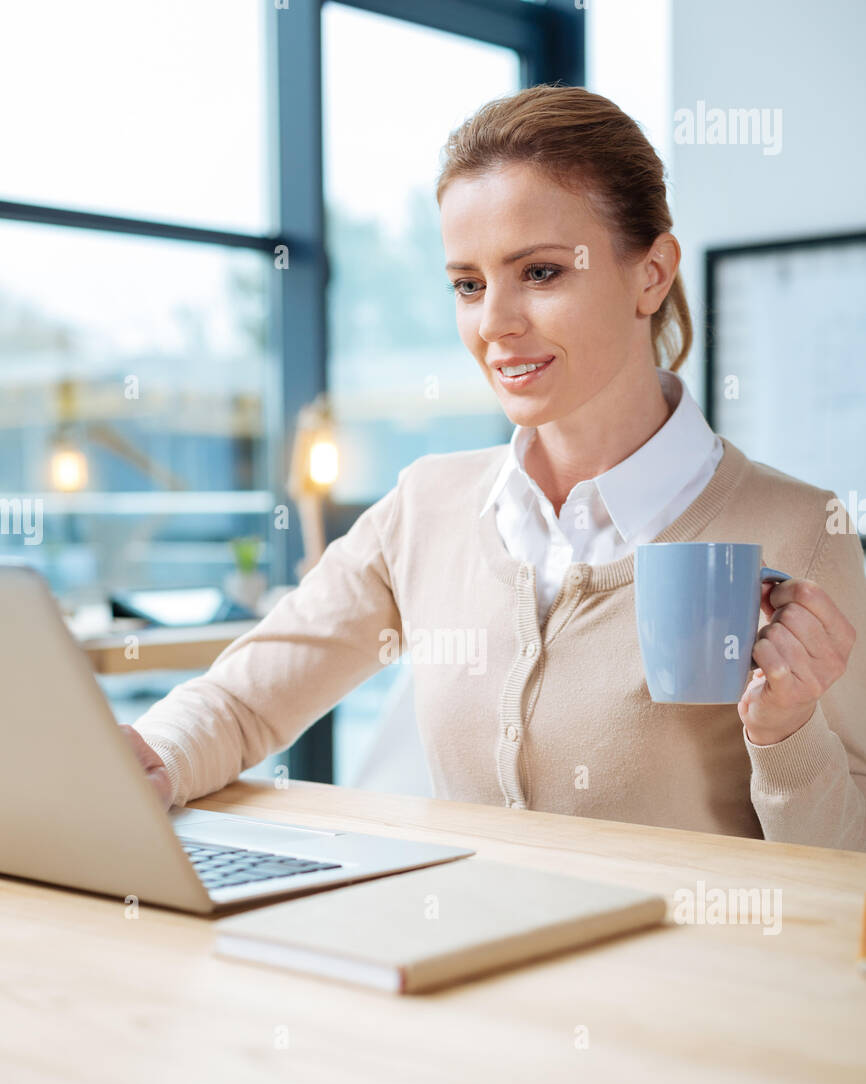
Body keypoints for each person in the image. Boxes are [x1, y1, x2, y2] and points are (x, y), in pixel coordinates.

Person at [125, 85, 865, 851]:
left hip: (698, 972)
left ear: (651, 274)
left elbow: (850, 870)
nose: (495, 325)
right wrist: (148, 761)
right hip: (460, 963)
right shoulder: (428, 505)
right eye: (469, 285)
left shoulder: (801, 533)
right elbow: (245, 703)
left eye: (540, 273)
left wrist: (787, 735)